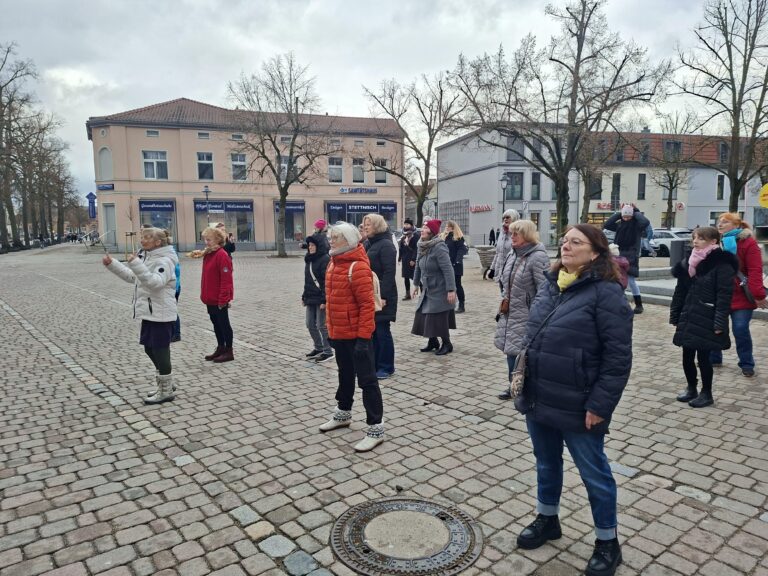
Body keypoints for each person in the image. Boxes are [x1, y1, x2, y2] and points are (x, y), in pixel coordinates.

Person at [514, 224, 633, 576]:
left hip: (580, 404)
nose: (566, 246)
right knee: (546, 464)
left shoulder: (607, 294)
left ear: (595, 252)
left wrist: (599, 405)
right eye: (564, 241)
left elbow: (618, 359)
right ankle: (548, 519)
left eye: (575, 242)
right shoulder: (552, 285)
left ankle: (607, 542)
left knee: (594, 473)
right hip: (540, 395)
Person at [319, 222, 385, 452]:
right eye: (331, 236)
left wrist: (364, 338)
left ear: (347, 241)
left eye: (335, 237)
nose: (331, 240)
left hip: (358, 336)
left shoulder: (357, 267)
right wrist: (331, 331)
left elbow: (367, 306)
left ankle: (376, 427)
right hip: (340, 333)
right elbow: (332, 302)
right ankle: (343, 413)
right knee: (345, 375)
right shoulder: (332, 263)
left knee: (367, 381)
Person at [102, 227, 179, 404]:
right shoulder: (146, 256)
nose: (142, 240)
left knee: (160, 350)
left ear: (158, 242)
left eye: (147, 238)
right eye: (142, 237)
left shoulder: (165, 260)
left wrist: (136, 264)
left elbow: (156, 283)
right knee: (149, 348)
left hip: (161, 312)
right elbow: (133, 278)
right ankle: (166, 383)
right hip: (149, 312)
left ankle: (166, 389)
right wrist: (112, 264)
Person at [670, 227, 737, 408]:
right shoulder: (688, 262)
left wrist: (719, 322)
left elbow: (724, 296)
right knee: (686, 355)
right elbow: (680, 291)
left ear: (713, 241)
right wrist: (675, 314)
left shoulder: (721, 264)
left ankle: (706, 393)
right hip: (689, 314)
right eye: (694, 238)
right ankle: (691, 387)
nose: (695, 241)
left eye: (700, 238)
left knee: (704, 357)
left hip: (707, 315)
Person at [494, 220, 550, 400]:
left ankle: (523, 387)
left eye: (516, 234)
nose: (512, 237)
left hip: (527, 314)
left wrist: (537, 313)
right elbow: (506, 281)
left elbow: (545, 289)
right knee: (510, 350)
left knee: (519, 352)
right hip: (510, 311)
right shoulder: (513, 254)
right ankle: (514, 385)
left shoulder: (537, 257)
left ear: (526, 235)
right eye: (511, 234)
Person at [710, 213, 768, 377]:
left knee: (740, 329)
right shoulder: (716, 242)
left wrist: (758, 294)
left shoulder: (748, 243)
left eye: (725, 222)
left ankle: (746, 363)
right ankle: (714, 357)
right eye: (719, 222)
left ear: (736, 225)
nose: (720, 225)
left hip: (740, 293)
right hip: (719, 293)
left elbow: (755, 270)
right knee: (716, 327)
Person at [412, 219, 457, 356]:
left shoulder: (439, 246)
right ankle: (433, 342)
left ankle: (447, 343)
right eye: (422, 228)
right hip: (427, 287)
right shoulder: (422, 245)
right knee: (424, 314)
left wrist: (451, 290)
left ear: (432, 232)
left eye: (425, 229)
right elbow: (418, 266)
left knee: (437, 316)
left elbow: (448, 269)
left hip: (440, 287)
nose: (422, 231)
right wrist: (415, 284)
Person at [363, 213, 398, 379]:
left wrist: (383, 296)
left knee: (382, 331)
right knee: (373, 331)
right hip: (370, 293)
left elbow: (390, 273)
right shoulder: (369, 243)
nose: (365, 227)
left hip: (383, 295)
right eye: (364, 225)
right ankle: (376, 364)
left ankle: (386, 366)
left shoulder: (386, 245)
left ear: (376, 226)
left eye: (368, 225)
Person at [603, 204, 650, 314]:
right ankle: (618, 302)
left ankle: (639, 304)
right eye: (624, 216)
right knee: (616, 279)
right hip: (618, 253)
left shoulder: (637, 225)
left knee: (631, 281)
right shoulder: (619, 225)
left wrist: (636, 211)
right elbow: (607, 224)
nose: (626, 218)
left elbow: (645, 222)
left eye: (628, 216)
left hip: (632, 255)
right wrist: (620, 213)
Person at [201, 226, 235, 363]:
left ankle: (229, 350)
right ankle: (220, 347)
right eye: (205, 239)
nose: (206, 242)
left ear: (217, 240)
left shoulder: (222, 255)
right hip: (210, 297)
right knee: (216, 323)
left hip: (219, 298)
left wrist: (223, 298)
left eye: (209, 239)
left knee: (224, 324)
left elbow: (226, 279)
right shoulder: (209, 254)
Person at [302, 235, 334, 363]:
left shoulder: (325, 259)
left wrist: (324, 300)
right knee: (310, 324)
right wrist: (304, 296)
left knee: (321, 325)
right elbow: (308, 280)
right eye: (309, 245)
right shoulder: (309, 259)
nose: (310, 248)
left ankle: (328, 351)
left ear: (319, 246)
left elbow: (326, 281)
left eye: (313, 245)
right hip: (310, 296)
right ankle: (318, 347)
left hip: (321, 297)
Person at [489, 209, 520, 287]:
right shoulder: (502, 232)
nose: (505, 219)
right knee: (504, 295)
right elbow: (498, 253)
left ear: (514, 218)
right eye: (504, 217)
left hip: (513, 272)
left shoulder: (518, 233)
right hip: (501, 272)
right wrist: (492, 269)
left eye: (508, 217)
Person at [442, 220, 468, 313]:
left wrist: (457, 260)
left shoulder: (458, 237)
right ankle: (448, 304)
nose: (446, 227)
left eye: (448, 226)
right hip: (446, 265)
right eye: (446, 226)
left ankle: (461, 305)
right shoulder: (444, 237)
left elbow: (462, 249)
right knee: (447, 285)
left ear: (452, 228)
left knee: (457, 285)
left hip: (456, 265)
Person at [398, 218, 419, 300]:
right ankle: (407, 294)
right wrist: (399, 258)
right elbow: (401, 248)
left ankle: (423, 292)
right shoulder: (403, 236)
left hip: (412, 260)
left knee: (416, 276)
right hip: (405, 260)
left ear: (411, 225)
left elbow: (417, 248)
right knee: (406, 277)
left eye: (407, 224)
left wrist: (413, 259)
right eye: (405, 224)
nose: (406, 225)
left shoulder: (415, 235)